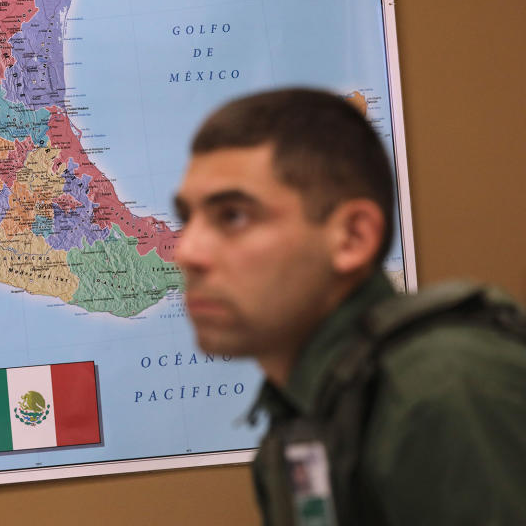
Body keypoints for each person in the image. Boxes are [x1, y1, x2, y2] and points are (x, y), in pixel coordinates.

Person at [172, 88, 526, 526]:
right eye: (187, 217)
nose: (186, 251)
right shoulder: (303, 418)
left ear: (353, 238)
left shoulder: (443, 388)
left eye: (233, 216)